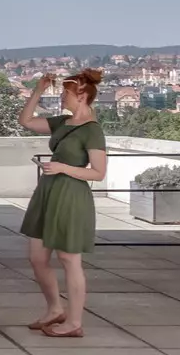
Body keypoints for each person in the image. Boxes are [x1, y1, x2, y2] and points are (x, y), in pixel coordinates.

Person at [16, 67, 110, 338]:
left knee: (69, 258)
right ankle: (55, 308)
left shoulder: (92, 131)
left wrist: (62, 168)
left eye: (66, 94)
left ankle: (74, 322)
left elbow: (98, 172)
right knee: (37, 257)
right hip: (48, 191)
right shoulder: (62, 122)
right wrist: (38, 90)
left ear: (82, 96)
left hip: (70, 194)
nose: (62, 99)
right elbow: (26, 121)